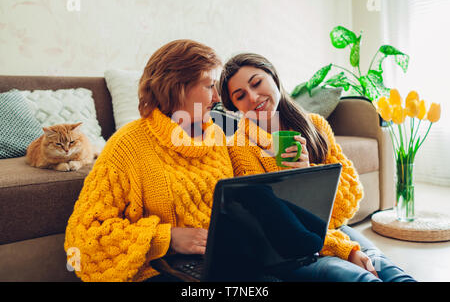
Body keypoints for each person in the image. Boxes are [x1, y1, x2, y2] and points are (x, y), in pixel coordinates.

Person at [218, 52, 416, 282]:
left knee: (393, 274)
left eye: (257, 83)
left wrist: (309, 171)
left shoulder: (315, 125)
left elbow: (349, 199)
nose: (252, 97)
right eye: (240, 95)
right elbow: (277, 226)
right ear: (234, 106)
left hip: (331, 230)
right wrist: (344, 249)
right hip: (294, 248)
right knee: (361, 278)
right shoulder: (238, 148)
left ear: (273, 76)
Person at [64, 39, 234, 282]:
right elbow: (84, 238)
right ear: (176, 87)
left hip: (218, 260)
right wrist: (167, 238)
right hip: (159, 269)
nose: (218, 96)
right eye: (209, 86)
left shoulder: (217, 134)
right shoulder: (127, 144)